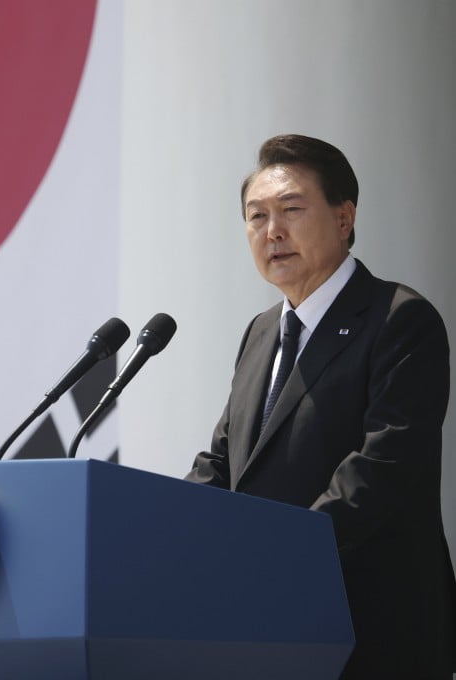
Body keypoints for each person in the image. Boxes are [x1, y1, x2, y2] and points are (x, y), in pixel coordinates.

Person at [186, 134, 456, 678]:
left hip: (374, 631)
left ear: (344, 217)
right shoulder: (261, 333)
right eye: (256, 216)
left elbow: (381, 471)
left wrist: (276, 559)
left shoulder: (400, 319)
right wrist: (161, 529)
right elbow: (223, 462)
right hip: (269, 631)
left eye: (290, 210)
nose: (272, 232)